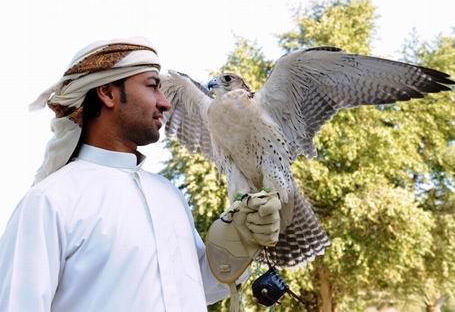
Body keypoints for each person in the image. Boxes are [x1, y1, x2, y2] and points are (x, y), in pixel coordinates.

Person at [0, 37, 280, 311]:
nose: (165, 103)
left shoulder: (168, 194)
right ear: (108, 93)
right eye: (152, 87)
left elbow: (200, 289)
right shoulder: (51, 201)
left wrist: (241, 238)